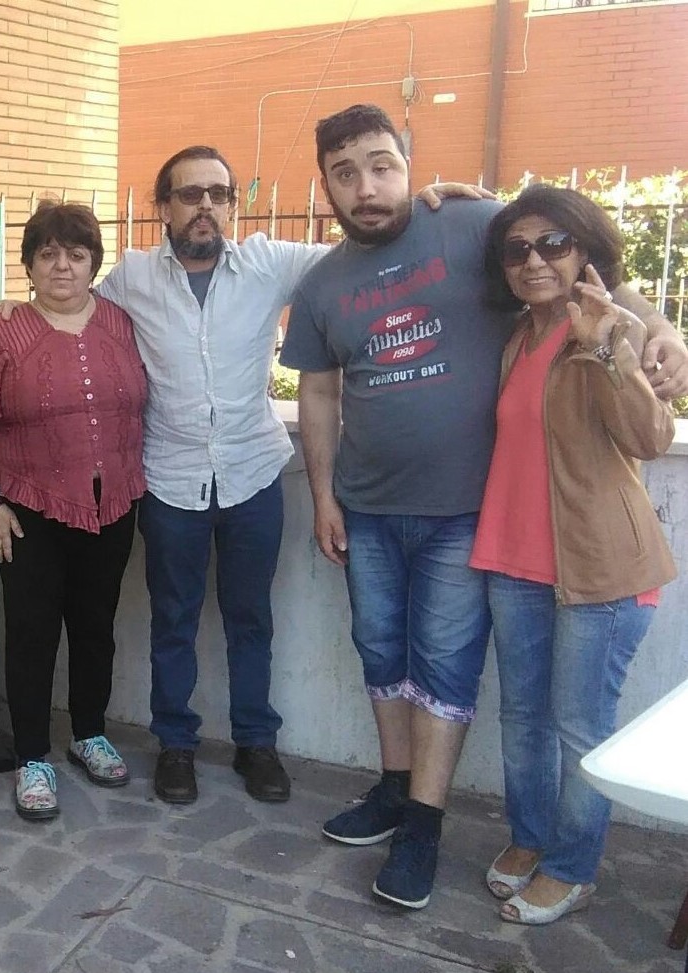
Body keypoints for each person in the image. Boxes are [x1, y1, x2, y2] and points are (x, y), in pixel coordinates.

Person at [0, 149, 481, 807]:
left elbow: (362, 247)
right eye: (190, 195)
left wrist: (423, 203)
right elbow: (65, 301)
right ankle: (175, 745)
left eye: (218, 194)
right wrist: (7, 307)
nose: (205, 206)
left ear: (233, 204)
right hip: (170, 481)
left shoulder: (271, 263)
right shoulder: (131, 278)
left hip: (252, 475)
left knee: (250, 619)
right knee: (173, 621)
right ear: (164, 207)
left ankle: (255, 742)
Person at [281, 104, 688, 910]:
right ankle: (398, 789)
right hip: (373, 510)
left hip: (468, 515)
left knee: (445, 666)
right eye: (344, 173)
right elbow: (318, 394)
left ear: (408, 163)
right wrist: (323, 494)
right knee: (382, 654)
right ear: (324, 184)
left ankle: (425, 825)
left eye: (381, 165)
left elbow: (588, 269)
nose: (366, 187)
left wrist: (661, 329)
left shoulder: (471, 224)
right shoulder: (323, 282)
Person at [472, 186, 675, 924]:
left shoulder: (609, 329)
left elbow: (651, 437)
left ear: (584, 250)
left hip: (599, 568)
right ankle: (531, 837)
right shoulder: (515, 339)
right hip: (512, 559)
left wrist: (604, 346)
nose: (534, 260)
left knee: (580, 726)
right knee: (521, 717)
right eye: (517, 248)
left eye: (553, 244)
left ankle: (572, 866)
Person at [0, 203, 147, 820]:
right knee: (32, 635)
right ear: (29, 265)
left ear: (94, 264)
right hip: (29, 510)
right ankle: (32, 756)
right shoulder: (4, 333)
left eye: (77, 254)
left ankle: (89, 734)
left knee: (95, 627)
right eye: (48, 254)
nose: (63, 266)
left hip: (112, 506)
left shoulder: (122, 323)